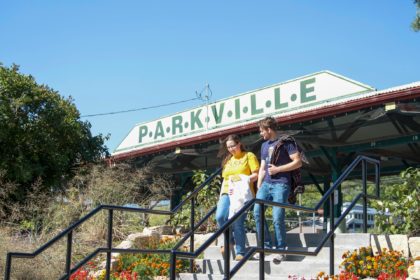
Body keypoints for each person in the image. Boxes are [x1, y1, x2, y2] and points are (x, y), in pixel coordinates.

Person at [253, 117, 302, 263]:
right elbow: (262, 167)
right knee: (257, 212)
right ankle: (265, 247)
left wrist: (278, 169)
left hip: (281, 184)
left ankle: (281, 250)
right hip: (266, 184)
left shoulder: (286, 142)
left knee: (277, 217)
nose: (261, 134)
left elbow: (298, 162)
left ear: (269, 129)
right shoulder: (263, 146)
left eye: (262, 131)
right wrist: (259, 185)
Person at [215, 134, 259, 261]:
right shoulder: (228, 160)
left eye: (233, 146)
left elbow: (255, 175)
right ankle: (230, 240)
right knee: (220, 217)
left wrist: (242, 178)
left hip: (242, 193)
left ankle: (241, 252)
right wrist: (221, 195)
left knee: (237, 221)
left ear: (239, 143)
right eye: (228, 147)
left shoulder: (249, 156)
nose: (231, 149)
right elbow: (225, 178)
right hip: (227, 191)